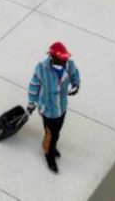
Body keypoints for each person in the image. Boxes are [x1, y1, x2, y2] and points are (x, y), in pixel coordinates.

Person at [27, 42, 80, 174]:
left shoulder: (69, 65)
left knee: (57, 132)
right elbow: (34, 86)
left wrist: (75, 85)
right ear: (52, 57)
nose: (64, 61)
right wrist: (31, 103)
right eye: (61, 59)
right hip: (48, 110)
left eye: (65, 58)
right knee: (50, 133)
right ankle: (48, 154)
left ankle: (52, 146)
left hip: (61, 108)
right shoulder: (42, 68)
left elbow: (75, 75)